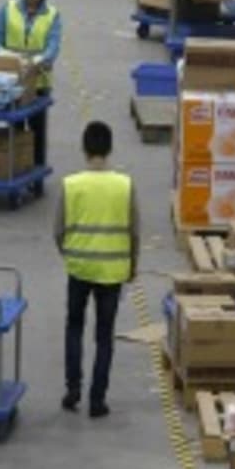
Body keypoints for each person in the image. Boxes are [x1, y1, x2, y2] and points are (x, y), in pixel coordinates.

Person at [56, 121, 140, 417]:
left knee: (74, 327)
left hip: (79, 268)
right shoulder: (124, 185)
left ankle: (72, 389)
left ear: (84, 148)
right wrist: (133, 266)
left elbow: (58, 231)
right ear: (110, 148)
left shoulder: (71, 185)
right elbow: (134, 232)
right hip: (113, 271)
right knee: (105, 336)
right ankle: (97, 399)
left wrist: (70, 255)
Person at [0, 0, 61, 173]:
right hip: (11, 81)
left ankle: (36, 167)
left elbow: (53, 46)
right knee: (15, 128)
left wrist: (39, 60)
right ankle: (16, 166)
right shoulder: (8, 9)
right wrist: (5, 55)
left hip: (38, 83)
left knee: (37, 130)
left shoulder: (52, 15)